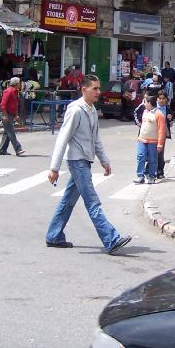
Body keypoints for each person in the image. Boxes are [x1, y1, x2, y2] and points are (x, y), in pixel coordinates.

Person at [45, 75, 131, 254]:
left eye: (99, 88)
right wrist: (54, 167)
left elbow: (95, 138)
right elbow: (63, 138)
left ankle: (53, 235)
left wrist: (104, 160)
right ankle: (111, 238)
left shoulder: (91, 109)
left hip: (85, 160)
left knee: (68, 200)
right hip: (77, 162)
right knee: (93, 202)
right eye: (95, 89)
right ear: (84, 89)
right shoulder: (75, 110)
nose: (98, 92)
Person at [134, 92, 165, 184]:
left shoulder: (159, 115)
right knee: (140, 157)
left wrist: (160, 144)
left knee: (152, 159)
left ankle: (152, 176)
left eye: (145, 102)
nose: (144, 104)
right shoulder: (144, 112)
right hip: (142, 140)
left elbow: (161, 130)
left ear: (150, 103)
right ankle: (140, 176)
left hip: (153, 141)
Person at [0, 77, 26, 156]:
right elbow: (2, 105)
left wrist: (16, 115)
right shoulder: (8, 91)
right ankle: (18, 149)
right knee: (11, 132)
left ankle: (2, 150)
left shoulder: (15, 92)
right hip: (6, 114)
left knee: (7, 133)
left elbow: (15, 105)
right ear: (16, 84)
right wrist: (5, 116)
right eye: (19, 83)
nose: (20, 84)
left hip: (11, 114)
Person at [155, 92, 173, 178]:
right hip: (153, 134)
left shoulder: (167, 109)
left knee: (160, 153)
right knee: (151, 153)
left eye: (163, 99)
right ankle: (150, 171)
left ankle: (160, 172)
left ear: (166, 100)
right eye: (160, 98)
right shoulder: (153, 108)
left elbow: (170, 122)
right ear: (157, 99)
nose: (161, 100)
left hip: (162, 134)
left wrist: (170, 119)